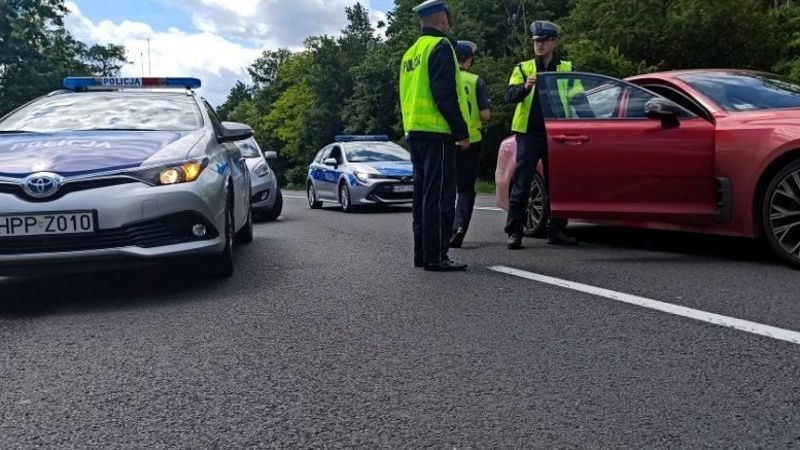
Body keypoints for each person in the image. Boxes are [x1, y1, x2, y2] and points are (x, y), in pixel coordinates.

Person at [399, 0, 470, 272]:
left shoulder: (410, 54)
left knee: (421, 198)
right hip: (437, 133)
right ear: (442, 18)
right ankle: (437, 255)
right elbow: (444, 94)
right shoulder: (440, 46)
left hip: (415, 132)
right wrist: (460, 131)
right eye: (447, 17)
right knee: (439, 196)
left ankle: (422, 253)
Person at [504, 20, 579, 250]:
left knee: (558, 183)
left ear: (554, 43)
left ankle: (556, 230)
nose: (539, 44)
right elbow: (509, 96)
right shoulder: (523, 68)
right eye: (536, 41)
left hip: (557, 133)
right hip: (529, 134)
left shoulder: (567, 68)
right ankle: (515, 232)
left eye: (544, 40)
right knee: (522, 182)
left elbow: (580, 100)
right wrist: (526, 87)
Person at [449, 40, 492, 249]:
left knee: (446, 186)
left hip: (447, 140)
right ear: (470, 60)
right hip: (471, 141)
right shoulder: (476, 81)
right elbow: (485, 114)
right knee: (465, 188)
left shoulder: (446, 77)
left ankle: (443, 229)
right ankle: (458, 228)